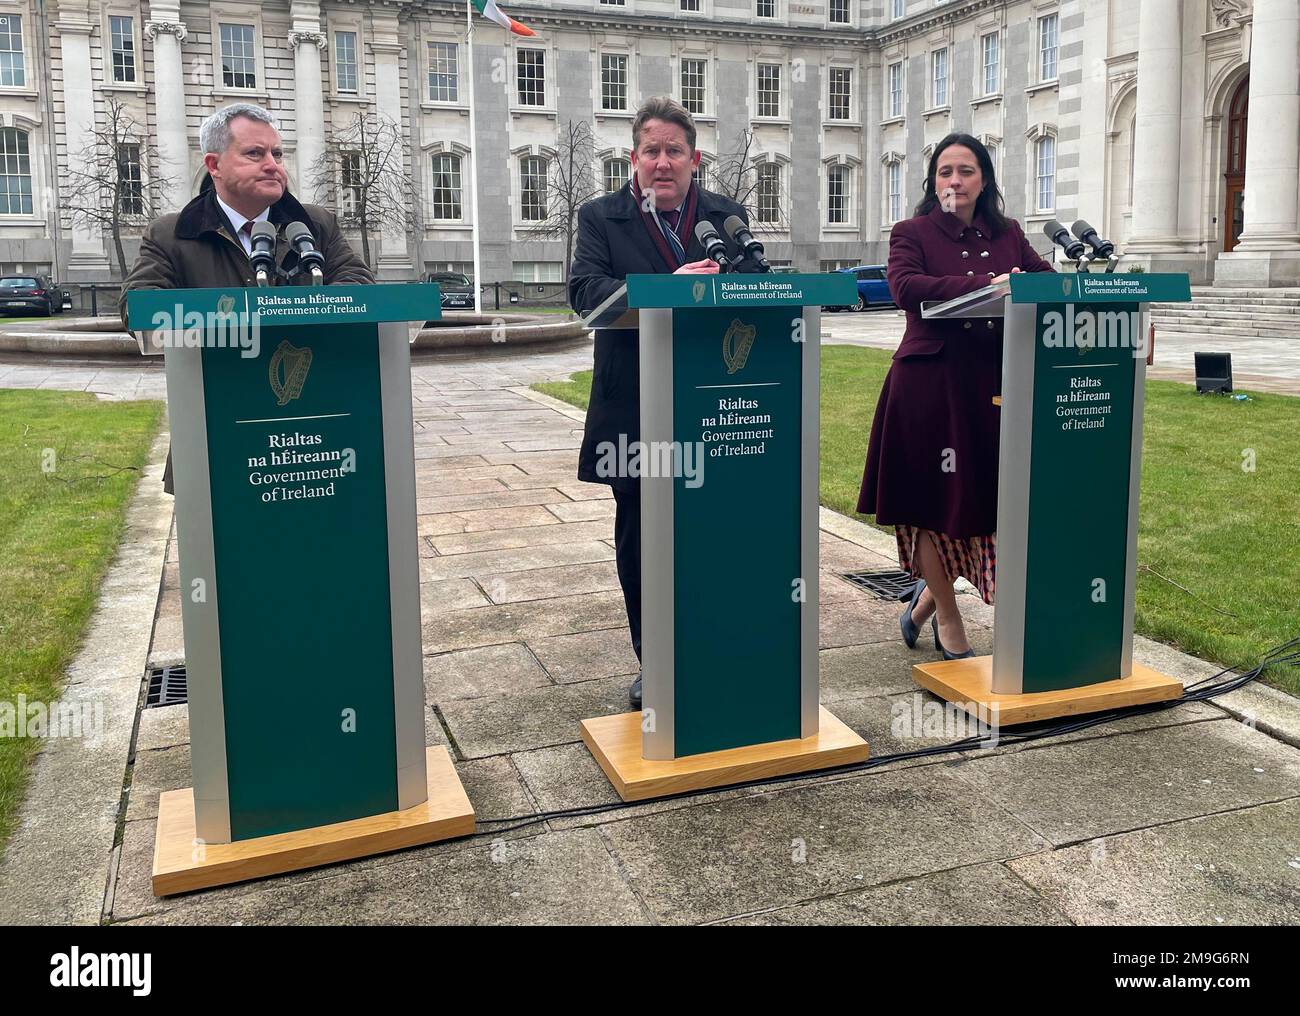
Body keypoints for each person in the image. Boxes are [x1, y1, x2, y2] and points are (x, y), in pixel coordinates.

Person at [568, 96, 750, 710]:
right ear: (634, 158)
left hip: (717, 406)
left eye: (675, 151)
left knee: (715, 532)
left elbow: (762, 286)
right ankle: (656, 658)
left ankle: (715, 644)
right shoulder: (601, 217)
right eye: (653, 151)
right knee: (643, 538)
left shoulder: (726, 216)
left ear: (695, 159)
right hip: (636, 409)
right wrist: (660, 292)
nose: (663, 162)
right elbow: (586, 295)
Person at [857, 132, 1054, 659]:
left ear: (983, 179)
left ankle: (924, 600)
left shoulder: (1009, 232)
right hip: (928, 386)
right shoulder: (911, 231)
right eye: (945, 172)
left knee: (982, 505)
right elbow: (905, 288)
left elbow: (1047, 283)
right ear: (933, 182)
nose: (955, 180)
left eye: (966, 171)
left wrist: (1024, 283)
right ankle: (946, 612)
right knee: (929, 504)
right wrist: (991, 284)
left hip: (991, 387)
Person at [120, 102, 374, 493]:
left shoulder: (315, 224)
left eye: (277, 153)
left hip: (314, 434)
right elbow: (138, 307)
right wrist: (236, 317)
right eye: (255, 154)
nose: (273, 164)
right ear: (214, 164)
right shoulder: (171, 235)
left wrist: (306, 309)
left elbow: (358, 281)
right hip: (216, 426)